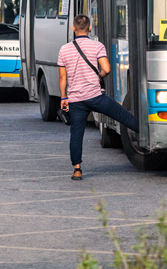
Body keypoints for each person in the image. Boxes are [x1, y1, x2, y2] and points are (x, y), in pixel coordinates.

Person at [58, 15, 140, 181]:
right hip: (96, 96)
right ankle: (148, 136)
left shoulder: (64, 49)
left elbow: (62, 77)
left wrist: (63, 97)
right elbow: (107, 69)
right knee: (124, 116)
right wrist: (99, 76)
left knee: (76, 134)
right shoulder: (97, 46)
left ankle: (77, 170)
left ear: (73, 29)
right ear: (90, 28)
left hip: (76, 100)